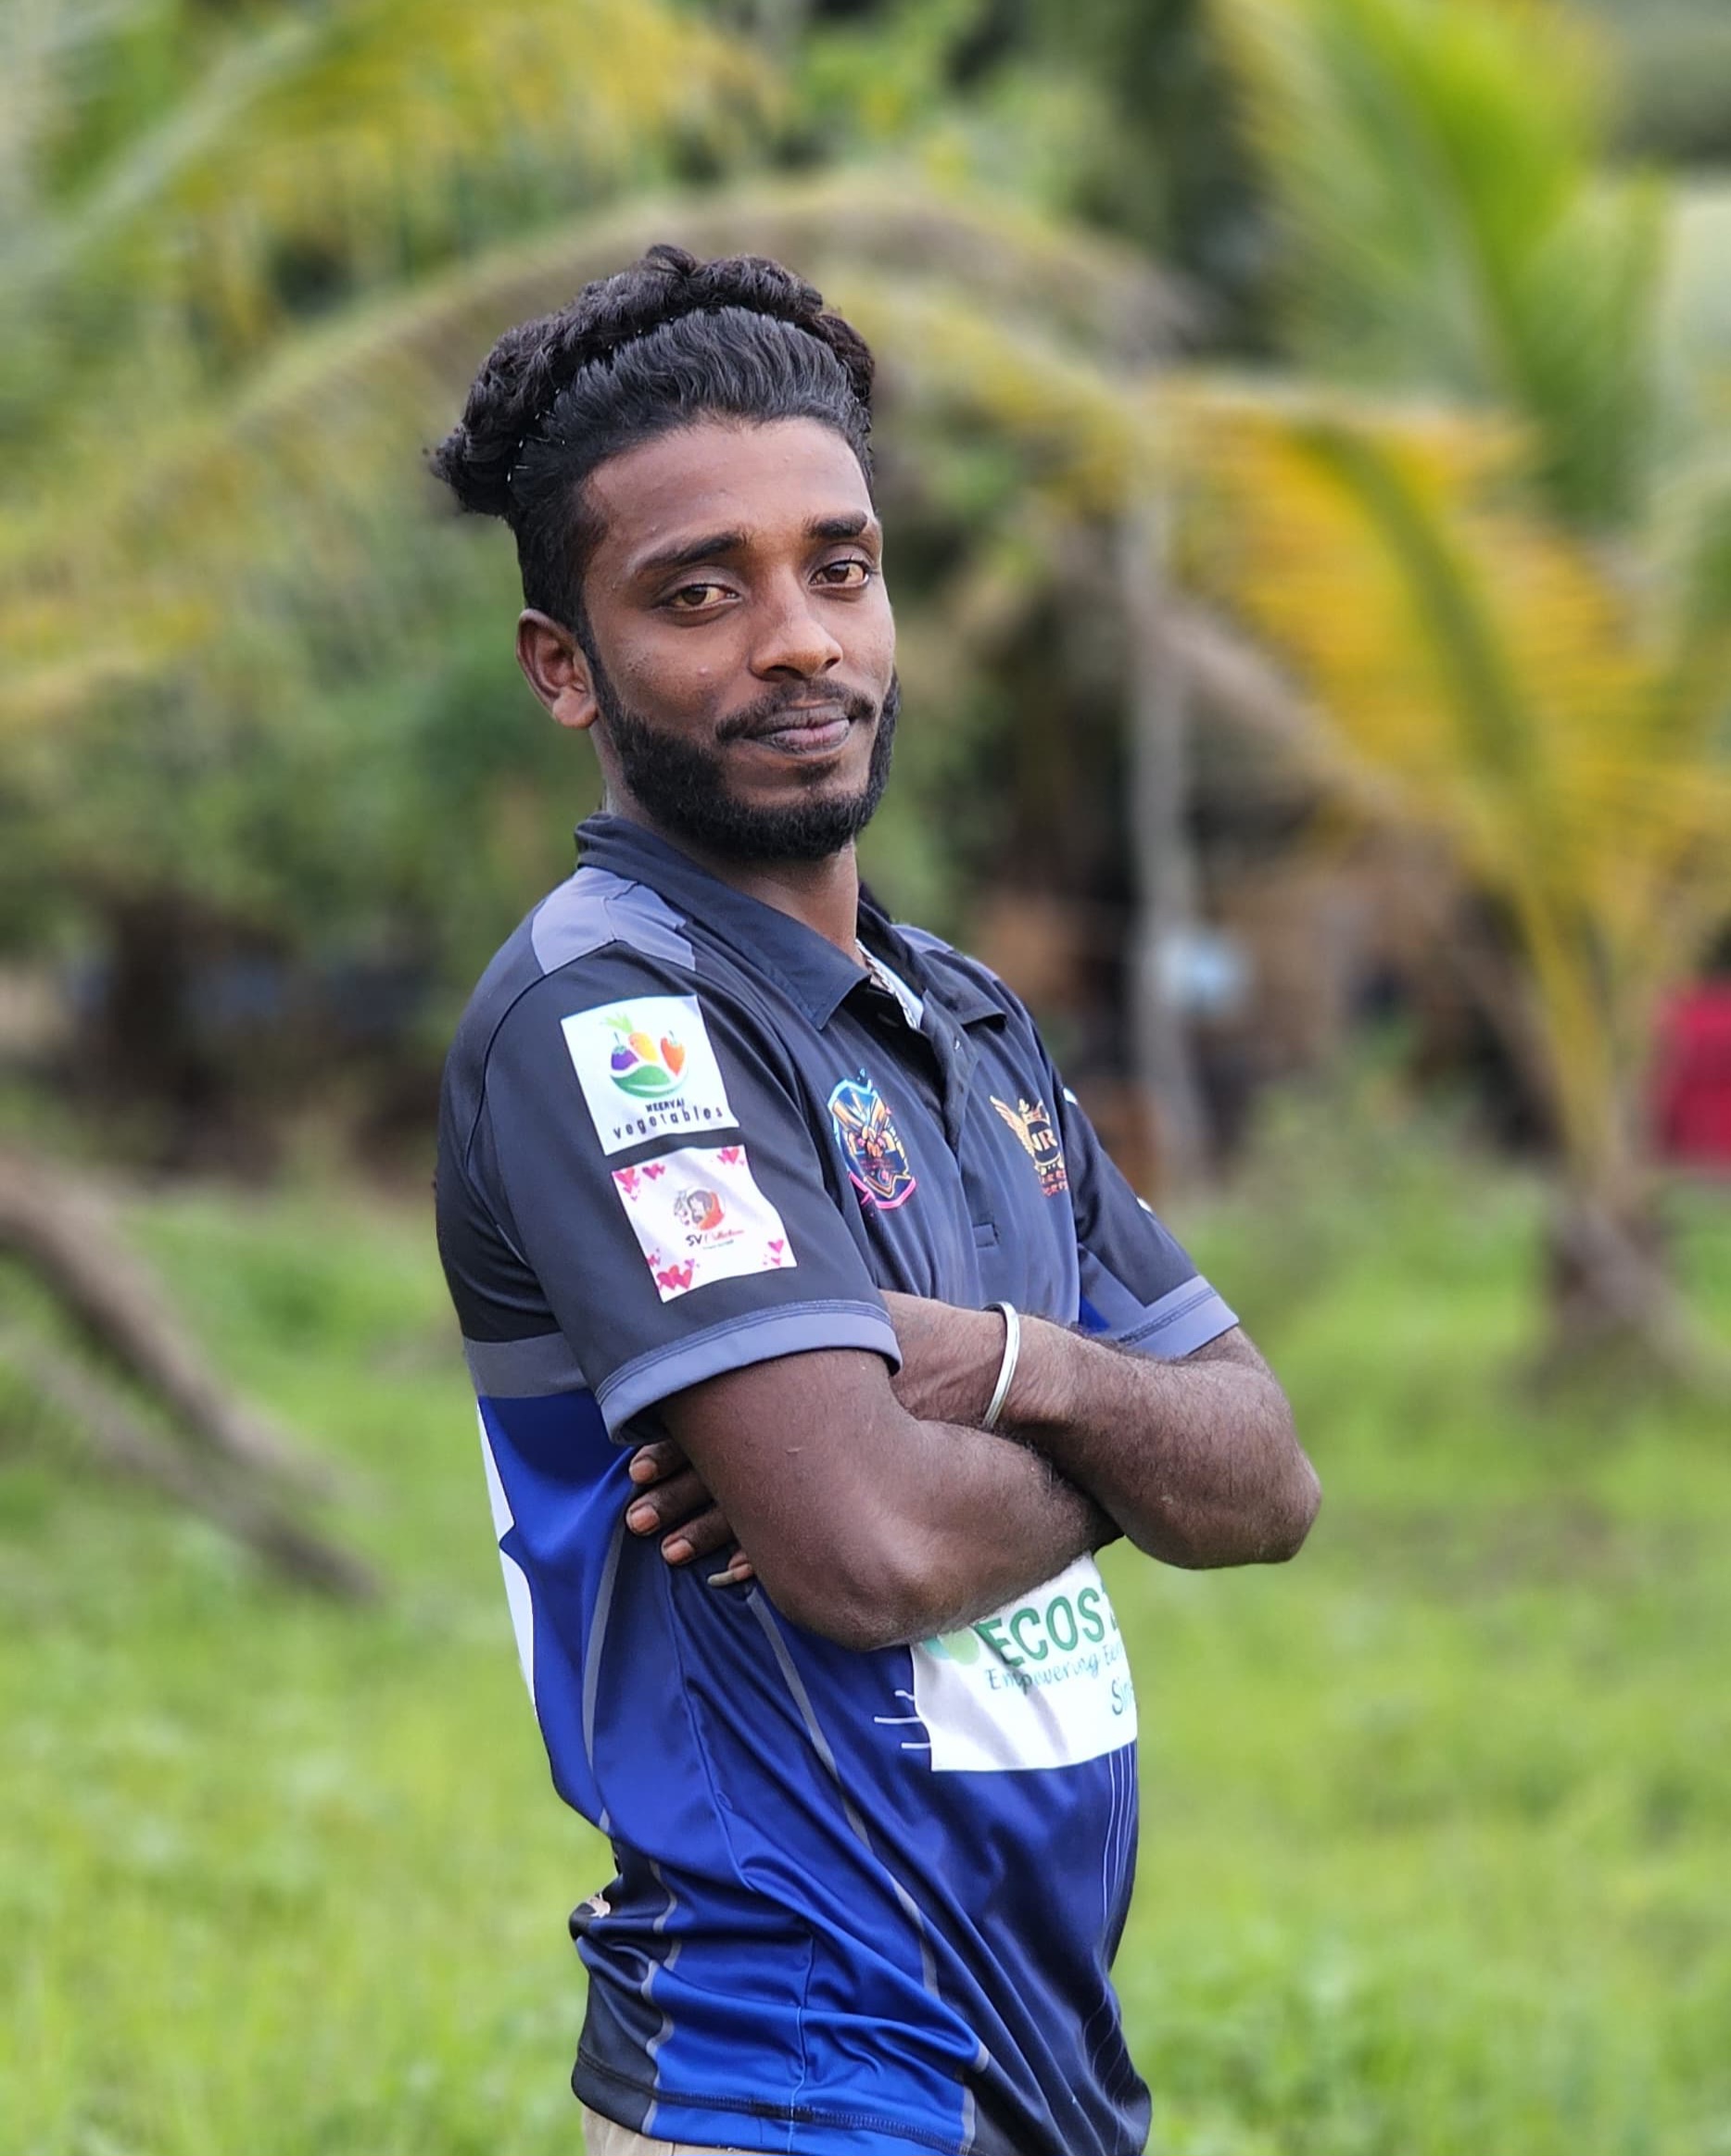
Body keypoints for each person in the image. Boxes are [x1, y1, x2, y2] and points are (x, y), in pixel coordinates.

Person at [431, 245, 1320, 2156]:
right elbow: (873, 1555)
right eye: (700, 591)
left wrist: (1016, 1369)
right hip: (797, 2069)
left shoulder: (968, 1029)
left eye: (837, 566)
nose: (800, 640)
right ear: (561, 668)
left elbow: (1265, 1484)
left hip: (1039, 2065)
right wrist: (1118, 1457)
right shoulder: (616, 1027)